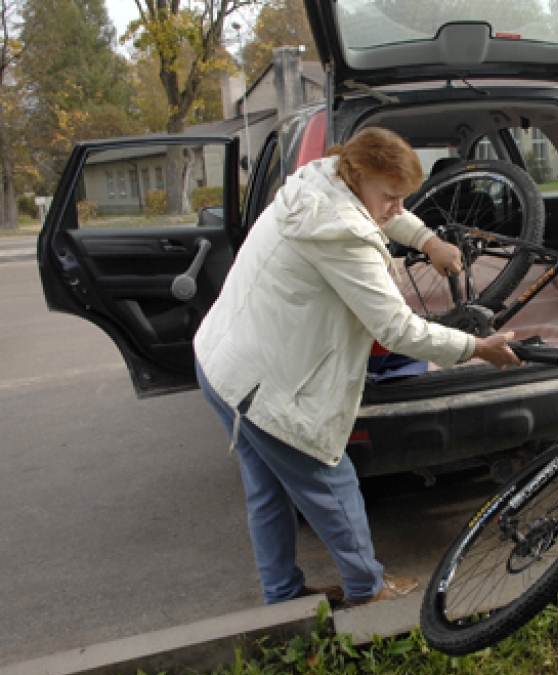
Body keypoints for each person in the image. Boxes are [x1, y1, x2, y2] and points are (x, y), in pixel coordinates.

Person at [193, 127, 521, 607]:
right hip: (265, 387)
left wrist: (427, 240)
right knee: (333, 483)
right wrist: (477, 347)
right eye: (390, 195)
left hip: (223, 362)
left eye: (401, 197)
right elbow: (398, 331)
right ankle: (367, 592)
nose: (395, 207)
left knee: (268, 493)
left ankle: (282, 598)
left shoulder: (319, 181)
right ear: (359, 173)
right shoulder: (342, 232)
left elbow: (384, 216)